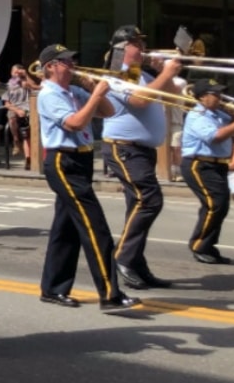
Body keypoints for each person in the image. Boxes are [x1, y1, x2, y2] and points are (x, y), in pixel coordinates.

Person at [35, 44, 140, 311]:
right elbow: (74, 123)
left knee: (66, 228)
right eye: (66, 61)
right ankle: (110, 294)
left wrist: (95, 89)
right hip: (62, 161)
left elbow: (108, 112)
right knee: (96, 228)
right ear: (51, 66)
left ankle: (53, 288)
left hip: (80, 160)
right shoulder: (49, 94)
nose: (72, 64)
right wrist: (95, 96)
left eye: (73, 59)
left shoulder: (74, 91)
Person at [100, 25, 180, 290]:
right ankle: (123, 256)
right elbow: (139, 101)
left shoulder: (138, 74)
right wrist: (166, 72)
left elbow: (175, 98)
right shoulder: (116, 74)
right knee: (149, 200)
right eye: (137, 43)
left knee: (138, 205)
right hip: (124, 148)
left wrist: (162, 74)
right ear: (122, 47)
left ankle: (135, 263)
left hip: (141, 150)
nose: (143, 48)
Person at [181, 79, 234, 265]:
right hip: (199, 164)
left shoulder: (218, 114)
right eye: (215, 94)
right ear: (203, 97)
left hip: (218, 164)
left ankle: (208, 246)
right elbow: (215, 137)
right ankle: (199, 245)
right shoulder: (197, 114)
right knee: (215, 204)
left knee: (219, 206)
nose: (220, 97)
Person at [3, 64, 37, 165]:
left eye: (19, 71)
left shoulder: (25, 83)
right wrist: (17, 110)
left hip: (28, 108)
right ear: (11, 72)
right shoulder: (8, 86)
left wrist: (26, 75)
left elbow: (35, 87)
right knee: (12, 118)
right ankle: (16, 140)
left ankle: (30, 154)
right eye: (15, 71)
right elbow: (7, 104)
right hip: (14, 107)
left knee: (30, 127)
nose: (17, 74)